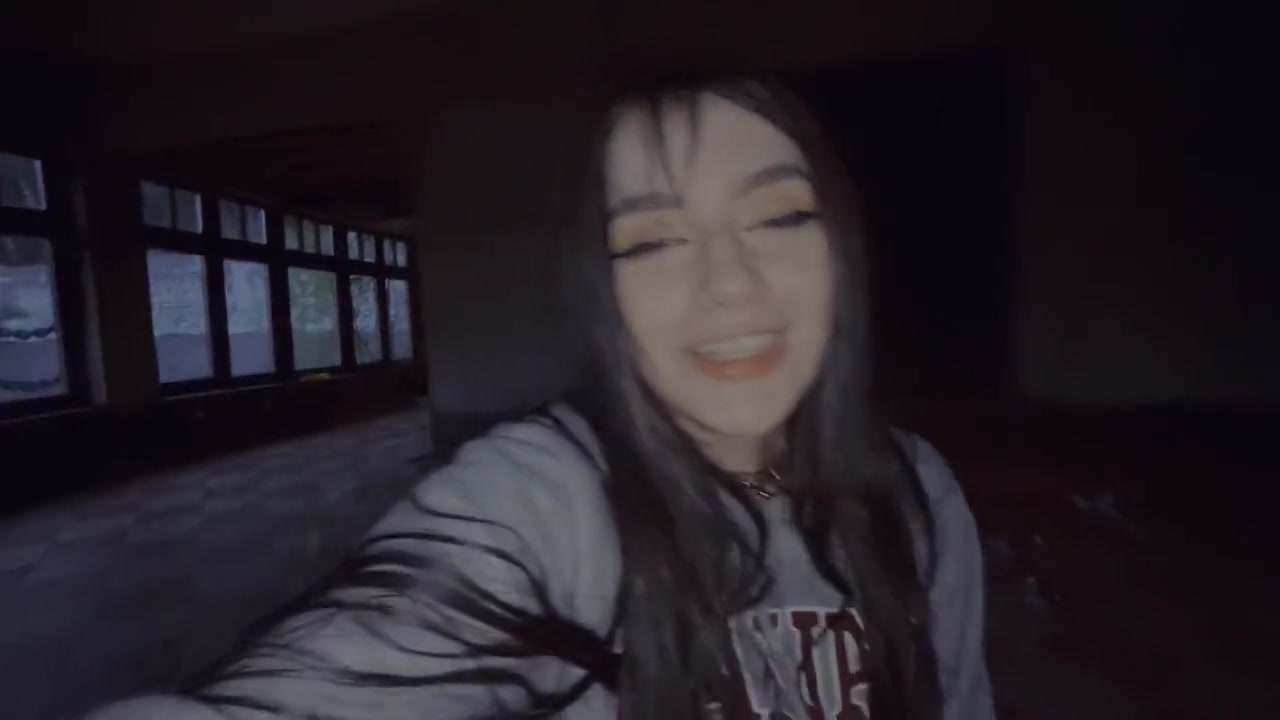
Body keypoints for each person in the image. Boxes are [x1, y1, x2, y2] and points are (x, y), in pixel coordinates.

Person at [87, 76, 993, 720]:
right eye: (653, 241)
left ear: (841, 245)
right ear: (604, 291)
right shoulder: (553, 493)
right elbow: (384, 637)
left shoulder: (915, 491)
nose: (728, 284)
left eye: (778, 217)